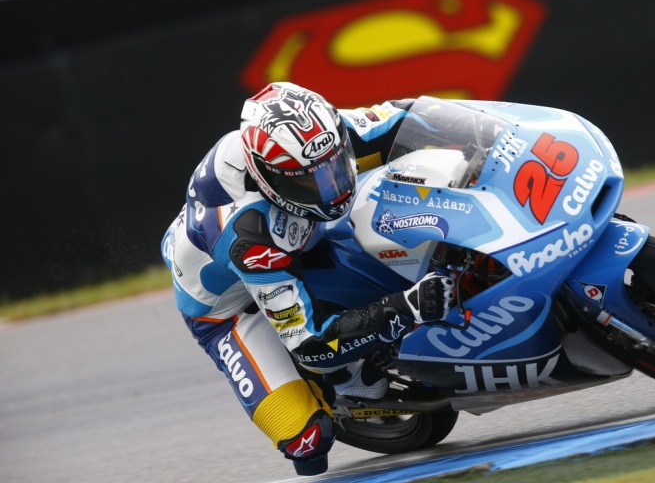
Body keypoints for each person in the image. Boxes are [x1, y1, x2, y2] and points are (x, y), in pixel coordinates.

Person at [160, 82, 454, 476]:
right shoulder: (250, 236)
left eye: (334, 167)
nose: (332, 188)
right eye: (308, 181)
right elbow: (310, 343)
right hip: (230, 312)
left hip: (302, 241)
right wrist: (406, 308)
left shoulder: (312, 141)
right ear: (267, 176)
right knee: (307, 441)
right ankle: (340, 382)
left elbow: (411, 116)